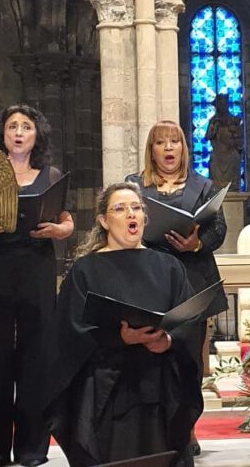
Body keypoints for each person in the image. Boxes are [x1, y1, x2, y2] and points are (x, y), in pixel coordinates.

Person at [46, 182, 202, 467]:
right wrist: (119, 338)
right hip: (107, 392)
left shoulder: (169, 267)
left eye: (136, 208)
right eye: (120, 208)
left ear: (144, 217)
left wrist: (167, 340)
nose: (131, 214)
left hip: (160, 387)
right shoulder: (86, 270)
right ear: (104, 220)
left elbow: (190, 322)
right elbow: (69, 332)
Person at [0, 104, 74, 467]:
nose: (19, 132)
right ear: (3, 134)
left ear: (36, 135)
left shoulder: (50, 174)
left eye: (26, 126)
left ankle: (31, 449)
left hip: (36, 264)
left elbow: (67, 222)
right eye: (12, 126)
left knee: (36, 355)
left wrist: (59, 231)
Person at [126, 120, 227, 456]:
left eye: (175, 142)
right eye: (161, 142)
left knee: (188, 359)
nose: (169, 148)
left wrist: (197, 243)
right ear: (151, 149)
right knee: (149, 355)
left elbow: (219, 230)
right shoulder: (134, 185)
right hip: (149, 278)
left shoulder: (203, 185)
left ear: (184, 148)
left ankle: (187, 427)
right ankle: (152, 428)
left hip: (192, 279)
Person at [205, 94, 242, 191]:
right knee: (213, 160)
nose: (223, 106)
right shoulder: (214, 121)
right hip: (218, 153)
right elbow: (207, 136)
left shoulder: (233, 120)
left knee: (236, 158)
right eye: (221, 104)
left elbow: (238, 139)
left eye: (225, 103)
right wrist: (214, 129)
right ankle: (216, 187)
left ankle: (233, 186)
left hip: (229, 152)